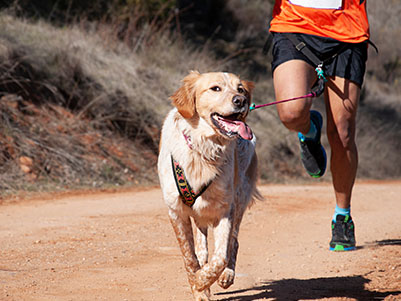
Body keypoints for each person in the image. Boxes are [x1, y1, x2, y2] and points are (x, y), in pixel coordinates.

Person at [269, 0, 370, 251]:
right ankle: (308, 130)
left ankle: (342, 215)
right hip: (294, 25)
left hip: (347, 32)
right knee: (291, 113)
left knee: (342, 132)